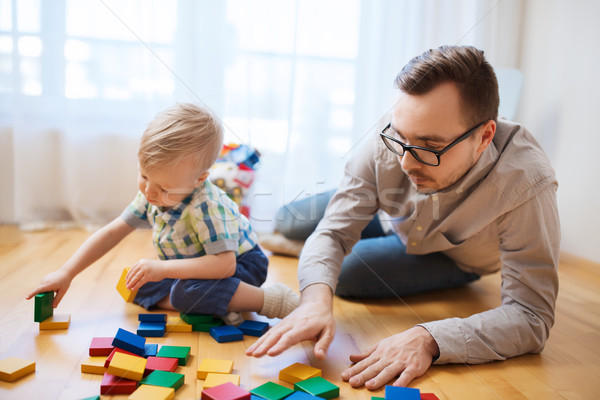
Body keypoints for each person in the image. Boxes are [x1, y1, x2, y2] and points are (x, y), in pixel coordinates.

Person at [248, 45, 560, 390]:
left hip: (451, 257)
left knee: (350, 274)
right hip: (391, 217)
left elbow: (531, 316)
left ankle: (312, 250)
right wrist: (314, 301)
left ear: (484, 136)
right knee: (289, 218)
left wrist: (429, 337)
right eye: (401, 138)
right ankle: (307, 243)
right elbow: (334, 232)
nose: (406, 163)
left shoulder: (527, 182)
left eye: (428, 146)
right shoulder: (392, 135)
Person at [26, 103, 300, 324]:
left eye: (164, 188)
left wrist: (163, 268)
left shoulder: (208, 207)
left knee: (183, 292)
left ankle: (270, 299)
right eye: (144, 176)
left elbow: (223, 266)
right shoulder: (152, 193)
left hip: (240, 265)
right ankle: (218, 305)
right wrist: (66, 272)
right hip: (194, 267)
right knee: (135, 283)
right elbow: (112, 232)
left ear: (199, 179)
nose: (150, 192)